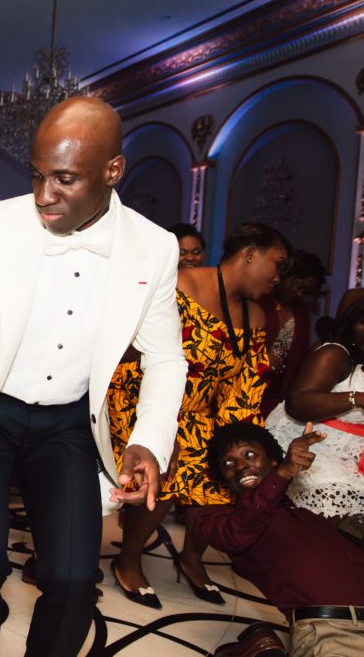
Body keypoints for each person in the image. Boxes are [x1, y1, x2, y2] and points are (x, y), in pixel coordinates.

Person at [0, 96, 188, 656]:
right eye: (38, 175)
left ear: (113, 171)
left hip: (69, 425)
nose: (44, 195)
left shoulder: (155, 248)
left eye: (65, 179)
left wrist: (148, 440)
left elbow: (165, 357)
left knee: (71, 580)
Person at [111, 223, 289, 609]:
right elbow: (142, 354)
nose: (278, 277)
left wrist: (236, 442)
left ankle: (191, 559)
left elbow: (245, 387)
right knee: (166, 465)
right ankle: (128, 560)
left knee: (221, 466)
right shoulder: (182, 285)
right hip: (143, 398)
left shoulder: (256, 315)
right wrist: (164, 428)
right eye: (276, 264)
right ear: (249, 254)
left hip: (203, 413)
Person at [197, 422, 364, 656]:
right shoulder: (218, 518)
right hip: (332, 632)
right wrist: (283, 473)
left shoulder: (305, 515)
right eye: (228, 463)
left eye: (250, 454)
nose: (241, 465)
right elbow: (235, 536)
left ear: (273, 460)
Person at [267, 292, 364, 529]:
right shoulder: (335, 354)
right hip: (311, 441)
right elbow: (298, 404)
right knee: (335, 496)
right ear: (352, 322)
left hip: (352, 451)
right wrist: (359, 399)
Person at [259, 249, 326, 416]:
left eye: (305, 292)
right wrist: (260, 356)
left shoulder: (300, 309)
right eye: (298, 286)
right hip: (246, 382)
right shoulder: (259, 299)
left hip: (276, 393)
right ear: (286, 274)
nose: (299, 293)